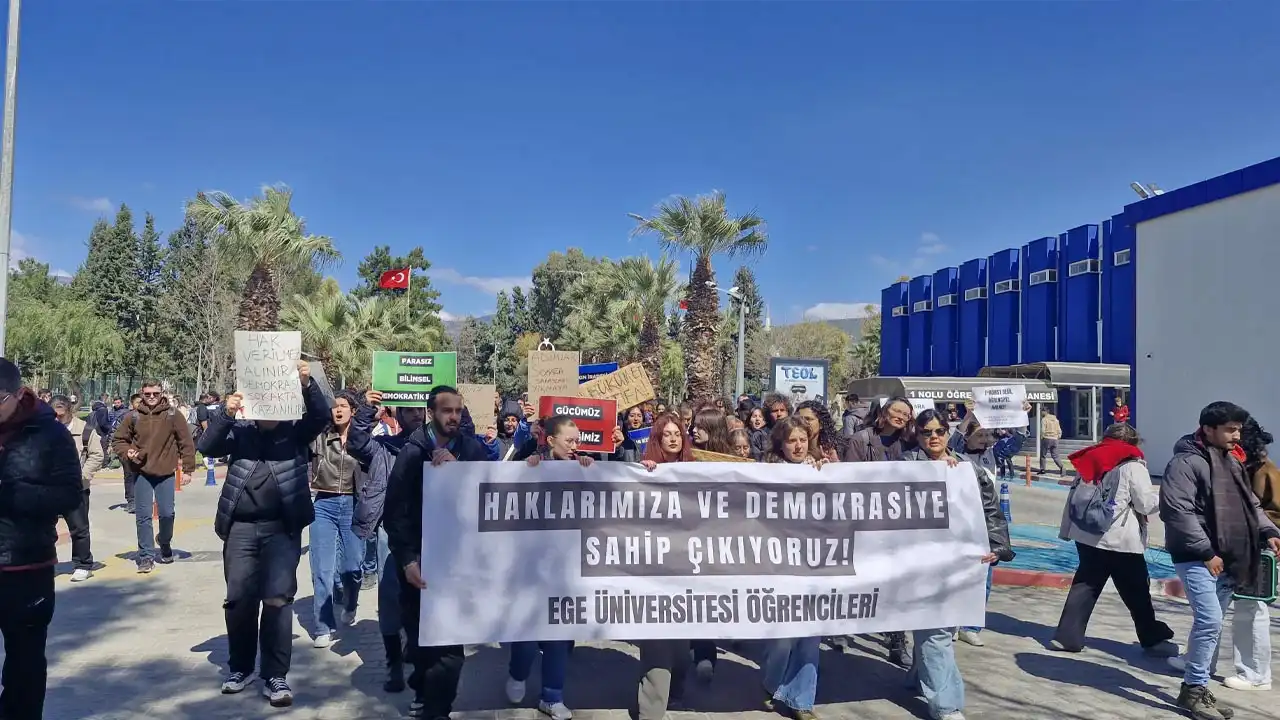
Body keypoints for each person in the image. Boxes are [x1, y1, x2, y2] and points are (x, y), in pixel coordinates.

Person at [199, 360, 328, 708]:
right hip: (240, 528)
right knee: (239, 600)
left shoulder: (295, 433)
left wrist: (306, 384)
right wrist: (225, 413)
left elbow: (322, 416)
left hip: (281, 530)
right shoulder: (241, 433)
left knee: (277, 600)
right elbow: (206, 446)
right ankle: (241, 668)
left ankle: (276, 674)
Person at [1160, 401, 1280, 720]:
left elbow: (1250, 504)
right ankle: (1194, 689)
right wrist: (1206, 552)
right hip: (1197, 555)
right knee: (1210, 619)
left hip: (1229, 554)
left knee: (1212, 624)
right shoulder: (1185, 463)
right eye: (1230, 429)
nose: (1236, 435)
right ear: (1208, 429)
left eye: (1238, 428)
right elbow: (1177, 512)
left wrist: (1269, 530)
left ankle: (1195, 689)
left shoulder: (1231, 462)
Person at [384, 386, 493, 719]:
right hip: (419, 566)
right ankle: (423, 687)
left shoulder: (471, 450)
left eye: (459, 410)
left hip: (458, 568)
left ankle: (438, 710)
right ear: (432, 413)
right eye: (447, 411)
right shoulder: (413, 452)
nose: (455, 417)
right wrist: (407, 561)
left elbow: (497, 488)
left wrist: (533, 464)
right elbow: (395, 513)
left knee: (447, 649)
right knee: (420, 644)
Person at [901, 409, 1013, 720]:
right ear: (918, 435)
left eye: (938, 431)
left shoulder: (967, 468)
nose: (933, 437)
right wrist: (934, 473)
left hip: (957, 562)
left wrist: (998, 545)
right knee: (935, 631)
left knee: (939, 628)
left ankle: (919, 676)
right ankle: (946, 705)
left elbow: (990, 509)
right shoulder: (906, 464)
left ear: (948, 433)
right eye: (926, 433)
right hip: (919, 563)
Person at [0, 359, 84, 720]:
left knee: (25, 662)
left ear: (19, 394)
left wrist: (11, 493)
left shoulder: (51, 434)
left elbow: (69, 496)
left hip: (25, 564)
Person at [1050, 423, 1176, 655]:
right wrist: (1167, 495)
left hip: (1086, 534)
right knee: (1137, 590)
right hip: (1119, 539)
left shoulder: (1090, 457)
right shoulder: (1132, 465)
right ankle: (1153, 638)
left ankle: (1068, 637)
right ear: (1133, 442)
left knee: (1085, 585)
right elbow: (1145, 504)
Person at [505, 415, 595, 720]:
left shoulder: (582, 466)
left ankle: (552, 696)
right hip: (530, 570)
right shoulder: (531, 463)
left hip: (565, 571)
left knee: (558, 636)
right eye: (569, 440)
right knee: (527, 636)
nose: (575, 446)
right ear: (551, 440)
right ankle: (517, 672)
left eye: (578, 440)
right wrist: (524, 467)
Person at [347, 391, 427, 694]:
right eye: (409, 410)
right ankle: (393, 664)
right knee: (391, 594)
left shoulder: (437, 448)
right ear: (398, 413)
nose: (416, 415)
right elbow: (355, 442)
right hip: (390, 531)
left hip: (431, 532)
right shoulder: (383, 448)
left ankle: (418, 654)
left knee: (422, 597)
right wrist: (367, 410)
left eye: (421, 410)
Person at [760, 416, 824, 720]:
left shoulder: (821, 469)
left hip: (813, 566)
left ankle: (802, 701)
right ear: (780, 444)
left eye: (803, 439)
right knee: (782, 639)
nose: (798, 446)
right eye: (791, 440)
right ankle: (771, 684)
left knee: (810, 636)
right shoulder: (765, 473)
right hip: (778, 568)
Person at [113, 380, 197, 572]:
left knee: (167, 513)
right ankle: (146, 556)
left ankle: (164, 541)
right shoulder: (133, 416)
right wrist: (127, 452)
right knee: (143, 516)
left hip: (166, 472)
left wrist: (188, 470)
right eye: (148, 393)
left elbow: (186, 443)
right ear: (142, 394)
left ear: (162, 393)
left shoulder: (172, 415)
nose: (152, 397)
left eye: (155, 393)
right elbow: (118, 440)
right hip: (141, 472)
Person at [1221, 417, 1276, 691]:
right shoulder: (1234, 465)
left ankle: (1256, 674)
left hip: (1257, 549)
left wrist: (1263, 534)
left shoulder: (1264, 472)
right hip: (1232, 547)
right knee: (1212, 608)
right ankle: (1197, 659)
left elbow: (1272, 512)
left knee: (1251, 609)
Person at [308, 390, 365, 649]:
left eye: (344, 405)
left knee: (352, 568)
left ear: (353, 410)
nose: (338, 410)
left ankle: (350, 603)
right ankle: (322, 625)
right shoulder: (319, 438)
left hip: (353, 505)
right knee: (322, 569)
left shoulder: (361, 439)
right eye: (335, 406)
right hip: (324, 504)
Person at [51, 394, 105, 582]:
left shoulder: (85, 430)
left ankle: (83, 564)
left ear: (69, 410)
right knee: (44, 529)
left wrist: (83, 476)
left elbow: (97, 455)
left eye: (60, 414)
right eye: (53, 415)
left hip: (76, 488)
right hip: (49, 489)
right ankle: (47, 562)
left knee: (79, 528)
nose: (56, 418)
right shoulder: (44, 429)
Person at [1039, 406, 1065, 475]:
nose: (1041, 412)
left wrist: (1042, 437)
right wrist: (1058, 437)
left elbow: (1042, 430)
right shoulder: (1055, 419)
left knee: (1043, 455)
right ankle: (1062, 467)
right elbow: (1059, 430)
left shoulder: (1044, 419)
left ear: (1045, 411)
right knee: (1055, 456)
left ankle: (1042, 470)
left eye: (1042, 411)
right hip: (1055, 439)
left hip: (1047, 438)